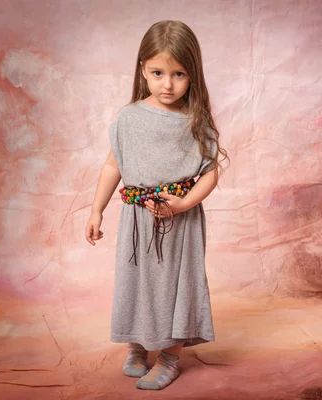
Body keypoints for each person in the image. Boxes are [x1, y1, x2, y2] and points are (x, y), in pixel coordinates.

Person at [84, 20, 228, 391]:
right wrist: (96, 209)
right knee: (137, 283)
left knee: (175, 288)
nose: (168, 84)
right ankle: (138, 345)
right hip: (137, 221)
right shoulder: (128, 119)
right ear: (143, 70)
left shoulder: (196, 122)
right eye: (158, 73)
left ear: (192, 74)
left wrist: (183, 204)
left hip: (179, 223)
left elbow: (210, 173)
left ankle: (169, 357)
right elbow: (113, 165)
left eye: (179, 74)